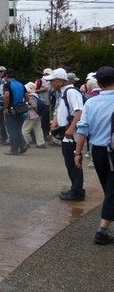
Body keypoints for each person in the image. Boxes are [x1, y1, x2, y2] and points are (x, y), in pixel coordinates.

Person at [74, 65, 114, 244]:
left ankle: (105, 225)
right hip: (113, 151)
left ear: (98, 82)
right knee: (112, 191)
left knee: (108, 188)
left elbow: (82, 129)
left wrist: (77, 152)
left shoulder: (90, 102)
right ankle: (102, 230)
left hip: (97, 151)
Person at [46, 68, 85, 201]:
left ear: (61, 81)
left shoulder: (71, 92)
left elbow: (79, 111)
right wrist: (56, 122)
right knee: (70, 163)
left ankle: (77, 191)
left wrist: (71, 128)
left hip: (71, 135)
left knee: (74, 163)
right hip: (67, 134)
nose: (51, 83)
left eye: (53, 81)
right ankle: (76, 188)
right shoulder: (64, 92)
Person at [2, 69, 29, 156]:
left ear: (6, 76)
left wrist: (6, 108)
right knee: (17, 129)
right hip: (21, 109)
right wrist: (25, 103)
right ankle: (22, 145)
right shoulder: (21, 84)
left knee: (12, 130)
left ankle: (14, 150)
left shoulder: (7, 85)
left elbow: (6, 96)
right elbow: (27, 96)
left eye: (4, 77)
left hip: (12, 109)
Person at [22, 82, 46, 148]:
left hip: (32, 115)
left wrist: (26, 107)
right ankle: (41, 143)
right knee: (38, 128)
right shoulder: (36, 95)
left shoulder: (30, 96)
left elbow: (34, 105)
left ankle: (25, 143)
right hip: (38, 115)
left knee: (25, 129)